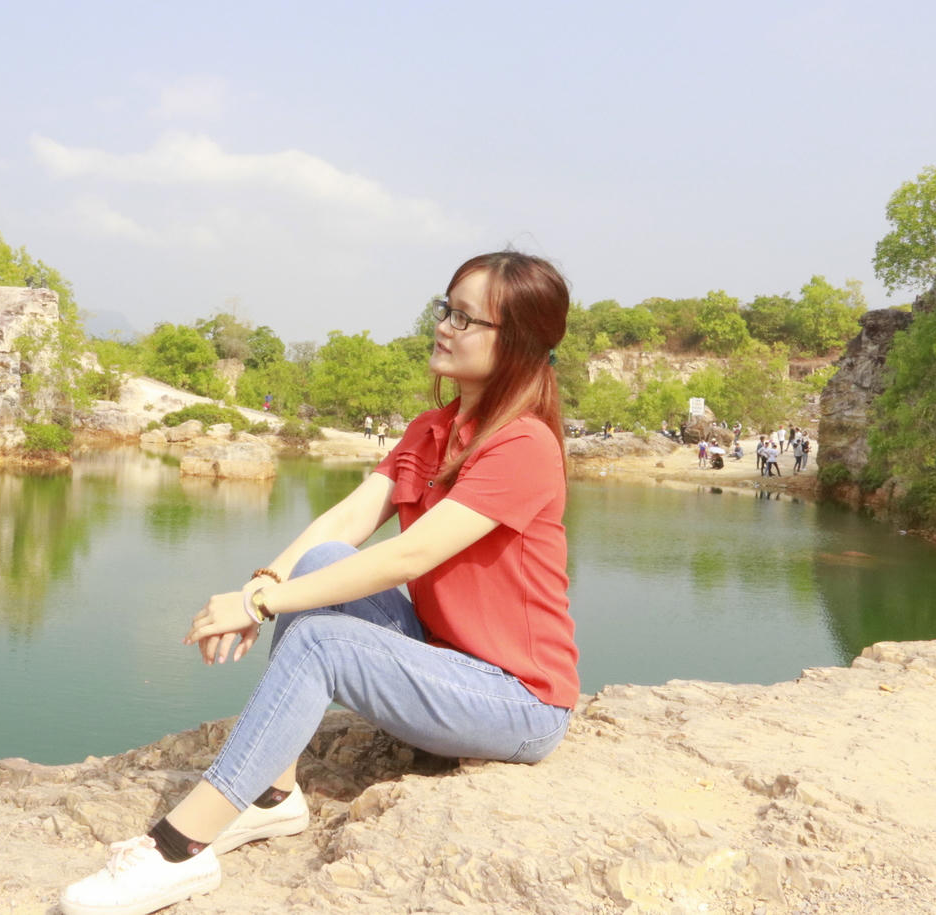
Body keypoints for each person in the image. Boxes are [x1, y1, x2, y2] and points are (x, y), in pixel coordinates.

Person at [59, 251, 578, 915]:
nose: (444, 327)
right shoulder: (432, 430)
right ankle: (274, 794)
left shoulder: (524, 444)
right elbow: (348, 520)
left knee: (323, 642)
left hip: (518, 701)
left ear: (519, 344)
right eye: (445, 310)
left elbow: (409, 555)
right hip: (443, 663)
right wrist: (265, 582)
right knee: (322, 559)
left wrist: (259, 606)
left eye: (465, 319)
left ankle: (178, 850)